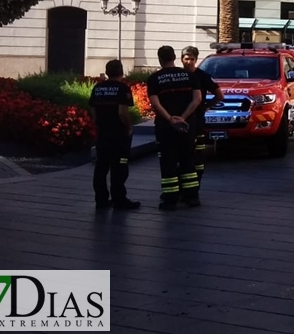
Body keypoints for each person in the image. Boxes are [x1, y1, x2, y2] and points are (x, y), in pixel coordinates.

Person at [146, 45, 202, 210]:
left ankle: (170, 199)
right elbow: (197, 99)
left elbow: (155, 104)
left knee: (168, 162)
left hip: (165, 127)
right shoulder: (189, 76)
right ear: (174, 57)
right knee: (188, 160)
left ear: (160, 58)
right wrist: (183, 118)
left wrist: (170, 119)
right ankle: (191, 197)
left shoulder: (154, 78)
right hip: (187, 126)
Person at [88, 60, 140, 210]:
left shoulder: (98, 88)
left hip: (103, 134)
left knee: (101, 168)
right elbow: (122, 113)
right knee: (120, 167)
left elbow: (93, 111)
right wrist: (129, 128)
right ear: (121, 71)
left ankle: (101, 200)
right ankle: (119, 199)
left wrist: (98, 125)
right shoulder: (123, 89)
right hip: (119, 136)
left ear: (107, 71)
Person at [181, 46, 224, 183]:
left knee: (197, 155)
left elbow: (219, 95)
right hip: (182, 121)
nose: (189, 62)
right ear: (181, 59)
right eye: (187, 59)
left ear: (196, 60)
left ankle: (195, 185)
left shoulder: (203, 77)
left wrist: (206, 106)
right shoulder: (178, 76)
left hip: (197, 121)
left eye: (192, 59)